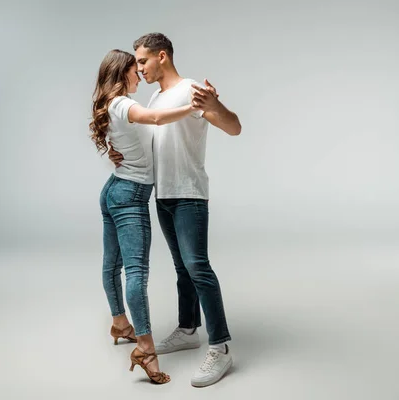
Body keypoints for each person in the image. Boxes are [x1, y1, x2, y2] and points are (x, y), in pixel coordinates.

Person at [108, 32, 241, 387]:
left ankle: (221, 346)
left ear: (161, 56)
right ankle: (187, 329)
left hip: (189, 194)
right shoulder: (156, 96)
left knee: (198, 266)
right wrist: (115, 151)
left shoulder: (192, 90)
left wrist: (214, 105)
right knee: (182, 267)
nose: (138, 69)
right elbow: (150, 136)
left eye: (142, 61)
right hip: (162, 194)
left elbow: (234, 126)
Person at [89, 49, 197, 385]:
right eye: (134, 69)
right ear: (122, 74)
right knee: (136, 272)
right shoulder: (122, 103)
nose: (140, 73)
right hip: (131, 196)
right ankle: (146, 350)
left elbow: (124, 146)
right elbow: (154, 120)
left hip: (114, 190)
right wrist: (193, 107)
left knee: (112, 265)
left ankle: (121, 323)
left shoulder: (110, 106)